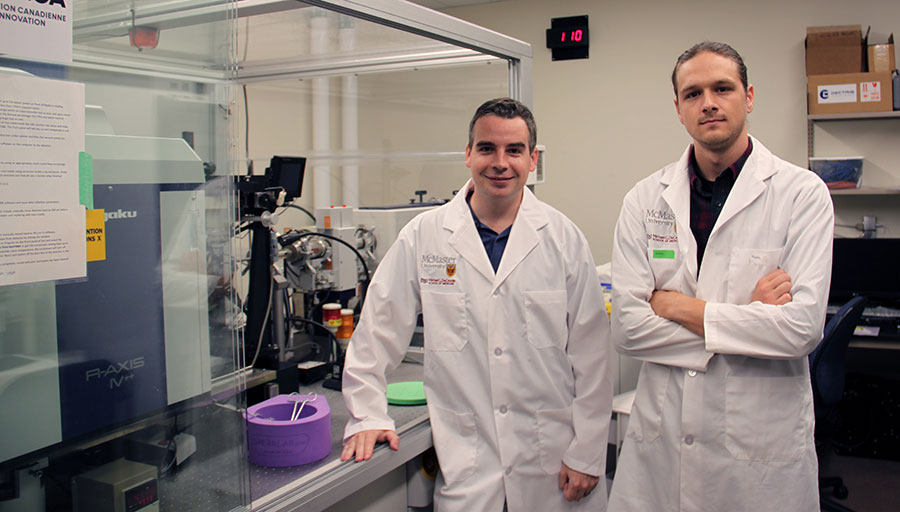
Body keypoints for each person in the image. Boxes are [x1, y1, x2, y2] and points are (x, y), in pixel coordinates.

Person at [340, 97, 613, 511]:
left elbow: (593, 357)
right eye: (487, 148)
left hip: (554, 466)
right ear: (468, 154)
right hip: (469, 468)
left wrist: (588, 451)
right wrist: (368, 415)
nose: (500, 162)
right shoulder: (425, 236)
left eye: (514, 150)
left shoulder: (563, 238)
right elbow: (376, 331)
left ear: (532, 159)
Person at [608, 42, 833, 511]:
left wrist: (679, 307)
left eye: (722, 88)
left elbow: (801, 329)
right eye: (693, 93)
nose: (708, 102)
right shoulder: (645, 199)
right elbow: (628, 329)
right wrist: (749, 320)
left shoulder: (801, 195)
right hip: (665, 438)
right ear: (678, 108)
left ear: (748, 96)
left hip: (758, 443)